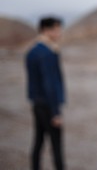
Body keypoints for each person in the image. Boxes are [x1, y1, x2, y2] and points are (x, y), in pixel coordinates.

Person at [25, 17, 65, 170]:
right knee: (56, 145)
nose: (59, 33)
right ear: (46, 30)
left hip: (37, 103)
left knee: (38, 141)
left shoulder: (32, 51)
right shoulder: (48, 53)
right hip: (49, 105)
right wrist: (55, 112)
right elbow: (50, 83)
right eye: (56, 29)